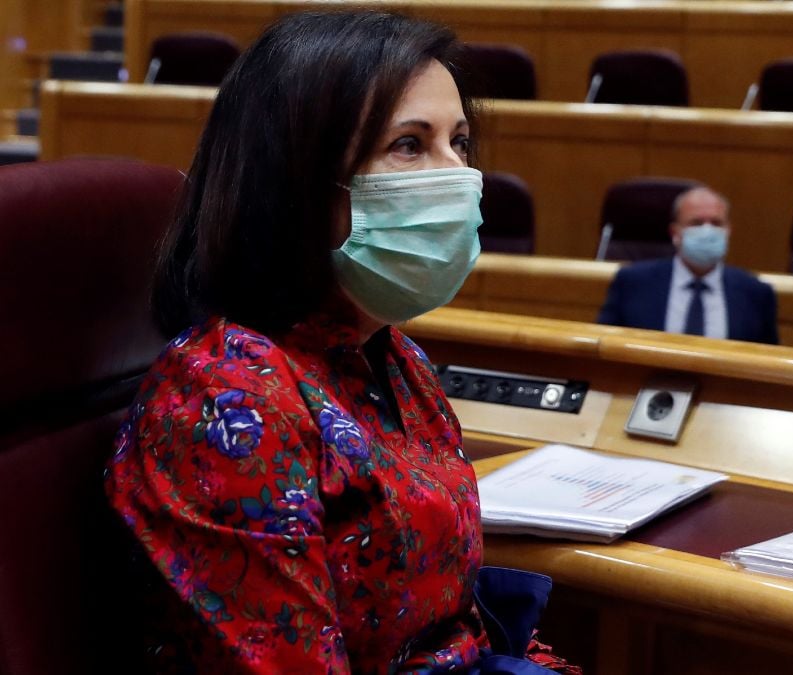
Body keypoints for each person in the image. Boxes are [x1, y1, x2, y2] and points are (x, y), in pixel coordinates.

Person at [104, 11, 577, 674]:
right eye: (410, 145)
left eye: (459, 142)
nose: (459, 177)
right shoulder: (225, 404)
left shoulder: (390, 354)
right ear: (294, 180)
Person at [596, 186, 779, 344]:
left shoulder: (756, 293)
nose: (707, 231)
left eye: (716, 223)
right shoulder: (632, 282)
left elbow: (769, 363)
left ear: (728, 231)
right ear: (675, 232)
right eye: (696, 223)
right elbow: (603, 345)